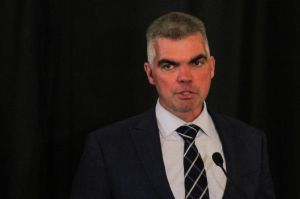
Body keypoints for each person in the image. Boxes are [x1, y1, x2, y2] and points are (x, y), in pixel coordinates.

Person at [70, 12, 275, 199]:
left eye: (196, 63)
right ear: (150, 73)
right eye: (169, 66)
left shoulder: (251, 143)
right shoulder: (107, 148)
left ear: (211, 67)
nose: (185, 77)